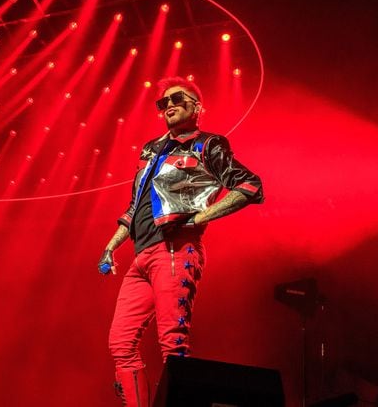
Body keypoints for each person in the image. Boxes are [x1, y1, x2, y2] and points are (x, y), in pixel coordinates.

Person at [99, 76, 264, 406]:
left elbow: (249, 186)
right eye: (163, 103)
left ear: (198, 107)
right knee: (121, 343)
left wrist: (200, 217)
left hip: (175, 249)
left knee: (172, 342)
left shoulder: (208, 145)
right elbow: (136, 205)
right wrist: (112, 245)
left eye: (177, 98)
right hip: (141, 256)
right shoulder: (152, 149)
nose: (169, 105)